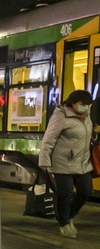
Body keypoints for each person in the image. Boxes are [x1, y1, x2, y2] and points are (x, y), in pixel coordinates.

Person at [38, 89, 94, 239]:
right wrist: (44, 161)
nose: (86, 107)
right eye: (83, 104)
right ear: (74, 103)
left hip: (83, 163)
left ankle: (70, 216)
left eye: (88, 105)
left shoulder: (86, 116)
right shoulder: (60, 116)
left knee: (85, 191)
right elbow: (48, 140)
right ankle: (63, 224)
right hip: (63, 163)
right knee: (65, 194)